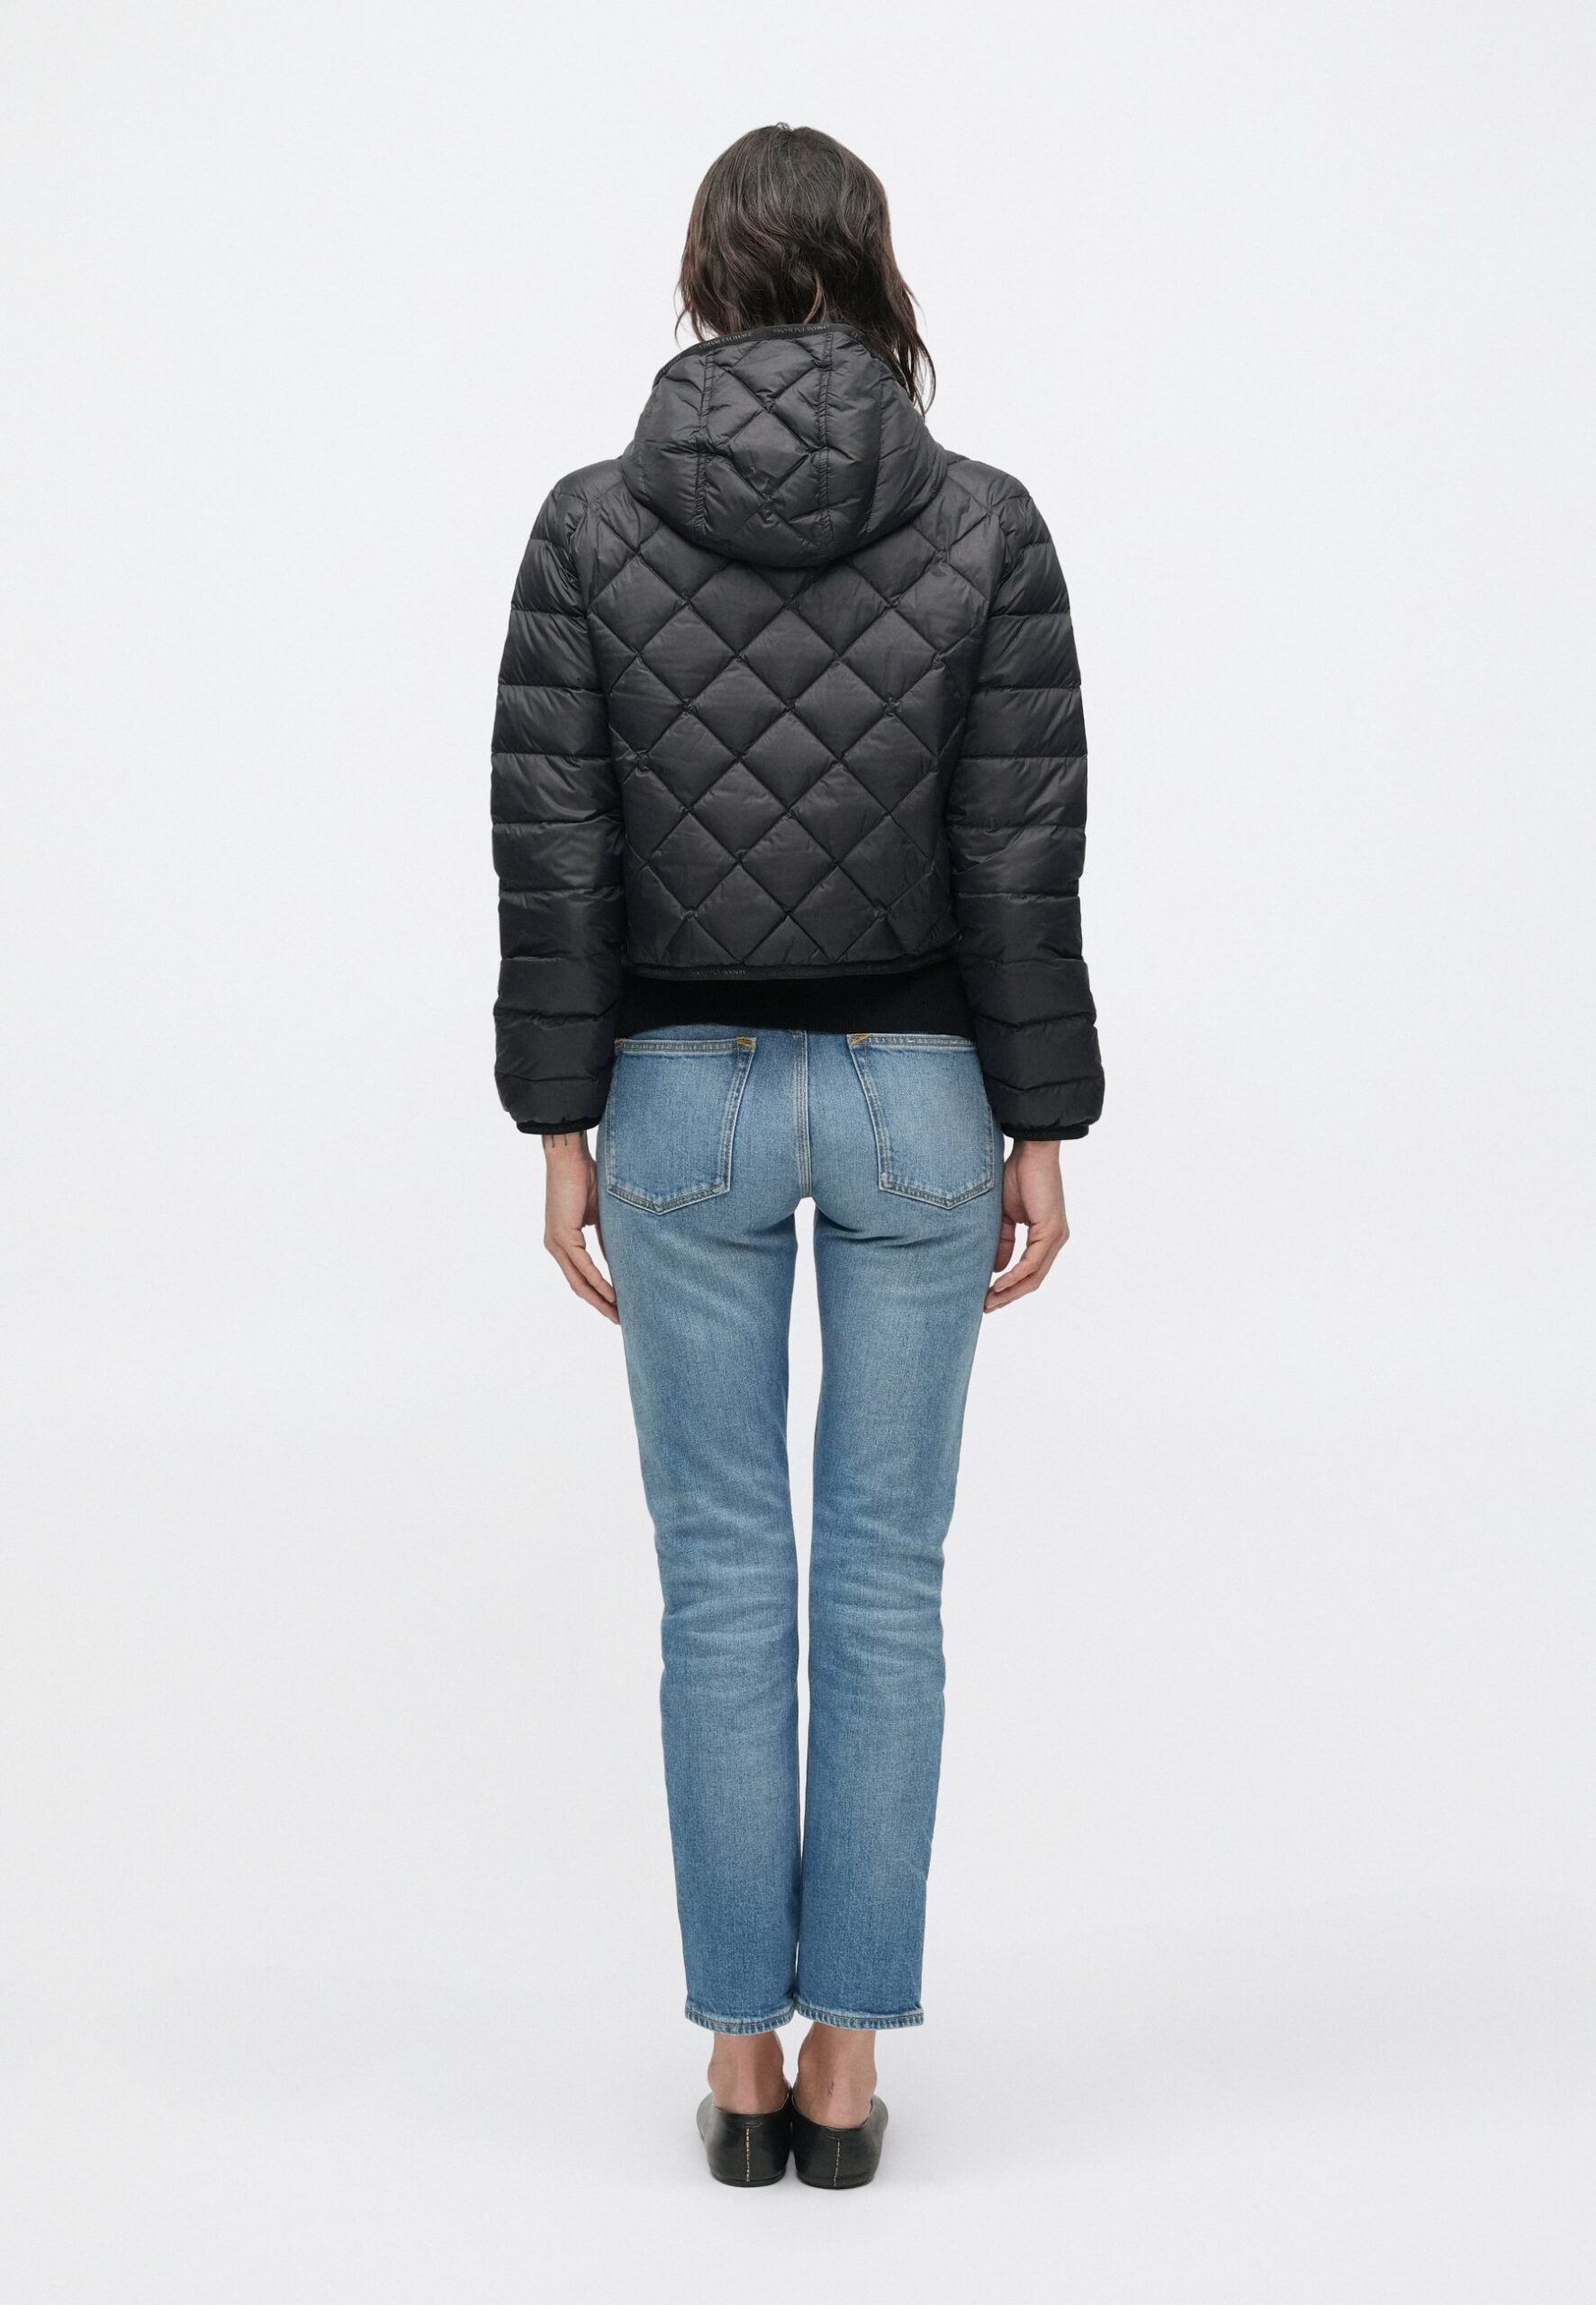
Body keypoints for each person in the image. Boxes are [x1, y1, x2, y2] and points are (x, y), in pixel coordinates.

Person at [490, 122, 1104, 2189]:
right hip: (922, 1093)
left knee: (721, 1579)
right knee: (886, 1580)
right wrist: (1038, 1117)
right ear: (874, 274)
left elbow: (553, 854)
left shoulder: (586, 525)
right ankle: (847, 2067)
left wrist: (557, 1120)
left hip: (679, 1098)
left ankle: (737, 2064)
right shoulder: (986, 521)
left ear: (704, 278)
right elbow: (1020, 854)